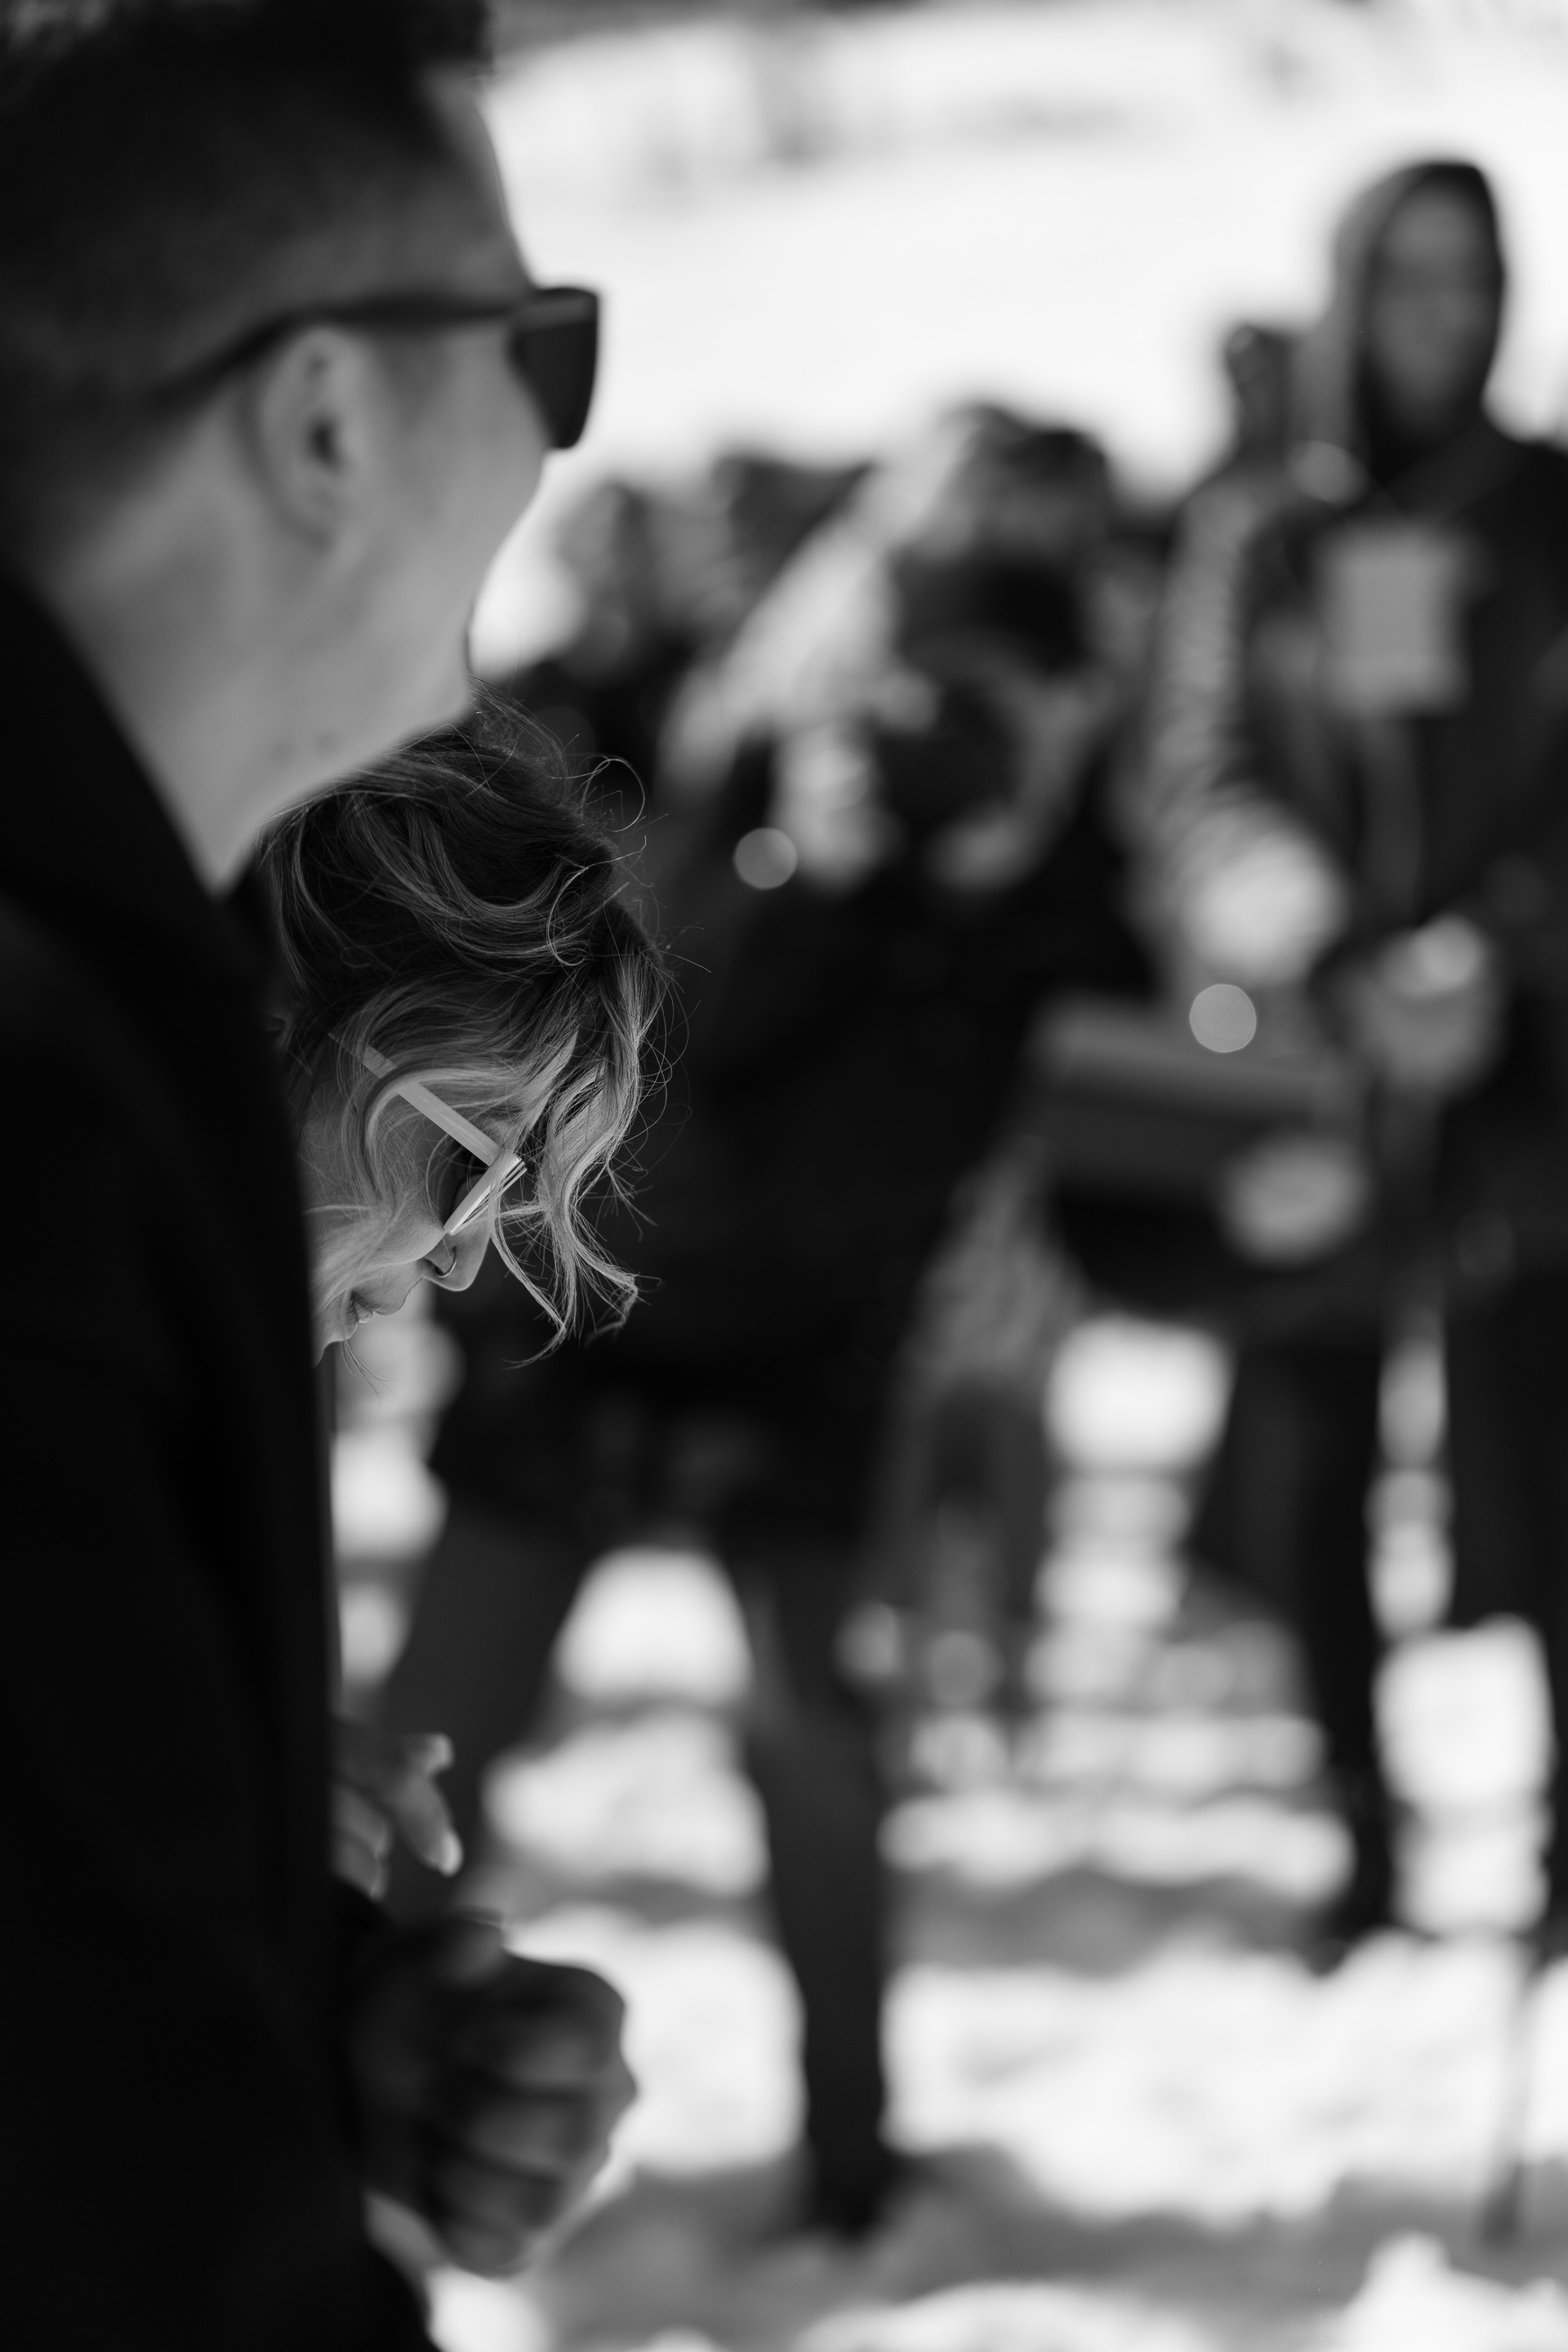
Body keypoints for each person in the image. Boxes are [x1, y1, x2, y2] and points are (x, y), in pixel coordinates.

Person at [0, 7, 630, 2341]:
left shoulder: (99, 999)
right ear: (328, 419)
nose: (561, 439)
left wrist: (294, 1979)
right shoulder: (49, 1082)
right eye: (545, 352)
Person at [378, 407, 1151, 2237]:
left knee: (823, 1756)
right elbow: (631, 1082)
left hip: (816, 1371)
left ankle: (855, 2174)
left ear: (1074, 719)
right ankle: (320, 2074)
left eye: (1013, 711)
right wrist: (800, 876)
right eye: (937, 696)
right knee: (432, 1748)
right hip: (578, 1337)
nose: (963, 747)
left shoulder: (1072, 914)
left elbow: (1149, 1184)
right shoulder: (756, 803)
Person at [1131, 160, 1568, 1956]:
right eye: (1411, 278)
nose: (1443, 316)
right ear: (1349, 291)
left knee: (1545, 1434)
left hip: (1528, 1048)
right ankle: (1362, 1830)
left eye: (1473, 277)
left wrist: (1495, 946)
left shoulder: (1546, 509)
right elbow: (1196, 775)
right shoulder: (1265, 530)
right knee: (1313, 1451)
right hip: (1311, 1057)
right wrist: (1326, 941)